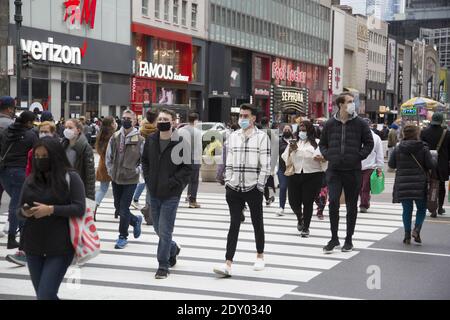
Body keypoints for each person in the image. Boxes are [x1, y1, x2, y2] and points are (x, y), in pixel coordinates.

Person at [18, 137, 86, 300]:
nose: (40, 161)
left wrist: (51, 210)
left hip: (60, 247)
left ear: (55, 156)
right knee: (44, 296)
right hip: (33, 246)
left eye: (44, 156)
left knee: (45, 295)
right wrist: (24, 212)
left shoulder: (71, 177)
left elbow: (79, 208)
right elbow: (19, 209)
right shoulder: (31, 179)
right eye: (37, 157)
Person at [213, 104, 271, 277]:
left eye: (246, 116)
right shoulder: (233, 136)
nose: (242, 119)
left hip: (253, 187)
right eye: (241, 116)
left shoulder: (262, 137)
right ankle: (228, 263)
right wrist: (229, 180)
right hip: (234, 187)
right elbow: (229, 160)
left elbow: (266, 165)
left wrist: (260, 186)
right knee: (234, 224)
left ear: (254, 118)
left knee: (256, 222)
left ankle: (260, 255)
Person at [319, 92, 374, 254]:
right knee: (333, 201)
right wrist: (328, 155)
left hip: (353, 170)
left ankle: (348, 239)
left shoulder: (360, 123)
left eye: (353, 101)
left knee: (351, 205)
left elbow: (369, 143)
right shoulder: (330, 124)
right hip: (334, 170)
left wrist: (358, 156)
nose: (353, 104)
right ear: (341, 104)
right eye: (349, 102)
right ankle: (334, 237)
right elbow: (323, 144)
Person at [142, 109, 192, 279]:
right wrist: (148, 179)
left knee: (165, 230)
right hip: (154, 192)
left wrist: (174, 184)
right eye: (160, 118)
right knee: (157, 227)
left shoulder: (181, 142)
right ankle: (173, 248)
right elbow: (145, 162)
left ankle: (163, 265)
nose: (162, 121)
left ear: (173, 122)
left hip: (171, 194)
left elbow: (187, 168)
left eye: (166, 119)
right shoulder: (151, 140)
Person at [389, 124, 435, 244]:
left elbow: (391, 165)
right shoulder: (423, 148)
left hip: (403, 184)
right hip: (419, 184)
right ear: (417, 134)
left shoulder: (398, 148)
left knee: (407, 210)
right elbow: (430, 165)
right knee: (421, 208)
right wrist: (434, 159)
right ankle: (417, 229)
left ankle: (407, 235)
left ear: (404, 134)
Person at [106, 110, 145, 249]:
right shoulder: (115, 136)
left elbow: (144, 160)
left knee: (123, 208)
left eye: (129, 118)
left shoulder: (140, 139)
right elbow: (108, 157)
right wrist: (111, 171)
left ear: (134, 121)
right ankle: (135, 220)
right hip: (116, 178)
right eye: (124, 118)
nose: (126, 120)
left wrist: (137, 171)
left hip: (130, 179)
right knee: (118, 207)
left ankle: (122, 236)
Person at [0, 111, 38, 250]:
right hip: (20, 172)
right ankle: (12, 238)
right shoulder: (30, 135)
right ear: (28, 122)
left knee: (20, 202)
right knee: (17, 204)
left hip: (4, 172)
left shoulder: (6, 132)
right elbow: (36, 154)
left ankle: (23, 233)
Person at [282, 120, 326, 237]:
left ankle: (306, 227)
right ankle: (299, 217)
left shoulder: (317, 143)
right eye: (300, 130)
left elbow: (325, 158)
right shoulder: (294, 142)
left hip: (312, 175)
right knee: (293, 201)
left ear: (310, 131)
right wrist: (290, 150)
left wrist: (321, 158)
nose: (302, 132)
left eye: (304, 130)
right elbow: (284, 157)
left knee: (308, 202)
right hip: (295, 174)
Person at [420, 112, 450, 217]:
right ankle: (440, 207)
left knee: (428, 185)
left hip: (427, 163)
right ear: (441, 121)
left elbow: (420, 148)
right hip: (442, 164)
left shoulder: (424, 132)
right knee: (441, 186)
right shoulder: (446, 133)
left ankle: (431, 206)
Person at [61, 119, 95, 201]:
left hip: (77, 187)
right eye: (66, 127)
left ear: (78, 130)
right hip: (63, 186)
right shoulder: (63, 145)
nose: (67, 130)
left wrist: (90, 198)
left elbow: (90, 175)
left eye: (70, 128)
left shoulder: (85, 147)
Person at [131, 110, 158, 210]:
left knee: (144, 181)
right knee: (149, 183)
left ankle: (136, 199)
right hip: (154, 158)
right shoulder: (157, 130)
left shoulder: (141, 129)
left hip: (143, 158)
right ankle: (146, 204)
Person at [359, 119, 385, 213]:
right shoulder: (356, 136)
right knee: (360, 187)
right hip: (357, 166)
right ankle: (365, 200)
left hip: (370, 167)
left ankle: (364, 204)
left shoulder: (376, 137)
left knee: (365, 187)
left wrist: (379, 167)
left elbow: (379, 153)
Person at [94, 117, 117, 221]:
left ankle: (92, 207)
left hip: (102, 165)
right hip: (111, 166)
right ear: (111, 124)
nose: (116, 123)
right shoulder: (113, 136)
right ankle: (94, 207)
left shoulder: (101, 134)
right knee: (112, 189)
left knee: (103, 188)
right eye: (114, 122)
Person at [179, 113, 203, 209]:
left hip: (181, 158)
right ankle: (192, 200)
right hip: (193, 159)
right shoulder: (197, 132)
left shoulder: (180, 130)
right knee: (193, 181)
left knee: (181, 179)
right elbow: (198, 148)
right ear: (196, 120)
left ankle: (174, 196)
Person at [0, 96, 16, 233]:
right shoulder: (12, 125)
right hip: (10, 166)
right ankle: (10, 225)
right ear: (10, 108)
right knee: (16, 197)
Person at [276, 124, 293, 216]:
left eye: (288, 129)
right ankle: (281, 207)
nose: (286, 130)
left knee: (293, 190)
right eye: (285, 129)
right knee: (283, 187)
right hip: (282, 169)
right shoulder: (279, 141)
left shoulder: (295, 141)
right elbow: (274, 155)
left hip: (293, 169)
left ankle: (295, 206)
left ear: (291, 130)